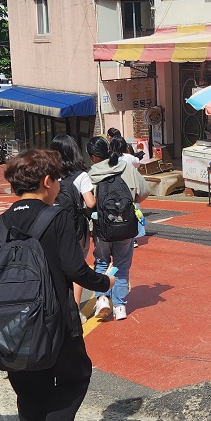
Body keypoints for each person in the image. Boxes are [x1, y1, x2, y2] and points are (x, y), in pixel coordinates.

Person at [0, 149, 112, 421]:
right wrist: (104, 282)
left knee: (30, 392)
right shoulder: (56, 217)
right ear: (48, 181)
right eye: (57, 182)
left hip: (11, 326)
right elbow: (75, 269)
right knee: (75, 376)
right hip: (58, 321)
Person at [87, 136, 150, 321]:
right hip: (125, 225)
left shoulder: (90, 174)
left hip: (102, 228)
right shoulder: (126, 167)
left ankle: (102, 298)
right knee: (122, 265)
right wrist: (131, 203)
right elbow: (145, 191)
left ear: (93, 157)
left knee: (101, 262)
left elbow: (86, 203)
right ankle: (120, 306)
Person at [50, 135, 96, 323]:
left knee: (56, 268)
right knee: (77, 267)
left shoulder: (50, 174)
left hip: (53, 227)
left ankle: (58, 310)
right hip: (75, 229)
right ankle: (74, 311)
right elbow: (90, 203)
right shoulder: (81, 176)